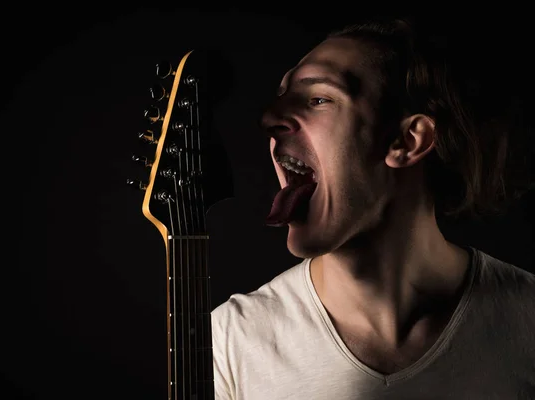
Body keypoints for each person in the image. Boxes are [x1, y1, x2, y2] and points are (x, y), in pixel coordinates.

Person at [211, 16, 535, 399]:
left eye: (318, 99)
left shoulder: (527, 320)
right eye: (280, 98)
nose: (270, 118)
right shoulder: (230, 340)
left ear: (408, 141)